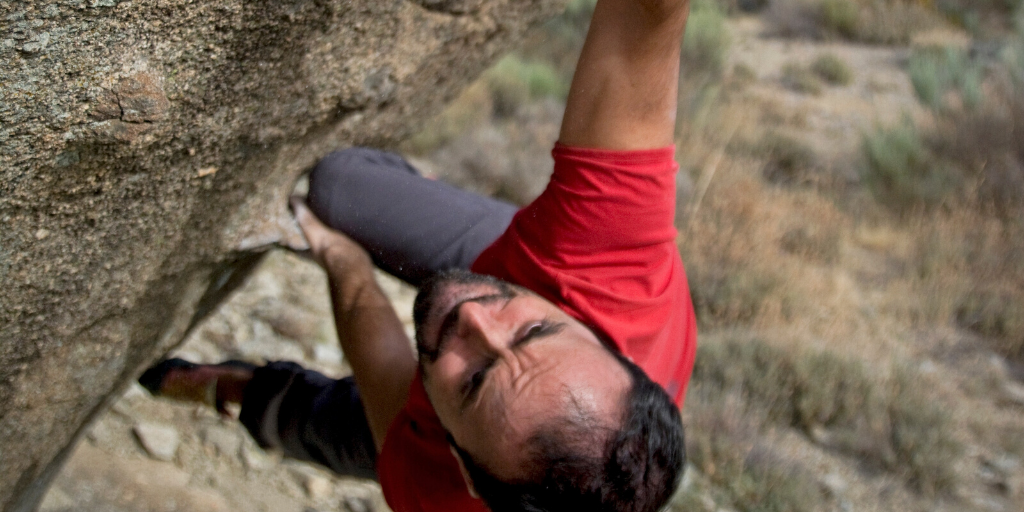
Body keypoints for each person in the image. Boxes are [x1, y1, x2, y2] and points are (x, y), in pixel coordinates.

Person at [139, 0, 697, 510]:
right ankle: (433, 220)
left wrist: (339, 257)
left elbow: (382, 361)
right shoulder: (611, 269)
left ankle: (232, 389)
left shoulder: (436, 491)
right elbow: (641, 20)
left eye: (476, 379)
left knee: (331, 428)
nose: (475, 315)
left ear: (464, 469)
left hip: (438, 427)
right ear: (609, 350)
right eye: (533, 333)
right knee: (337, 188)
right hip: (539, 267)